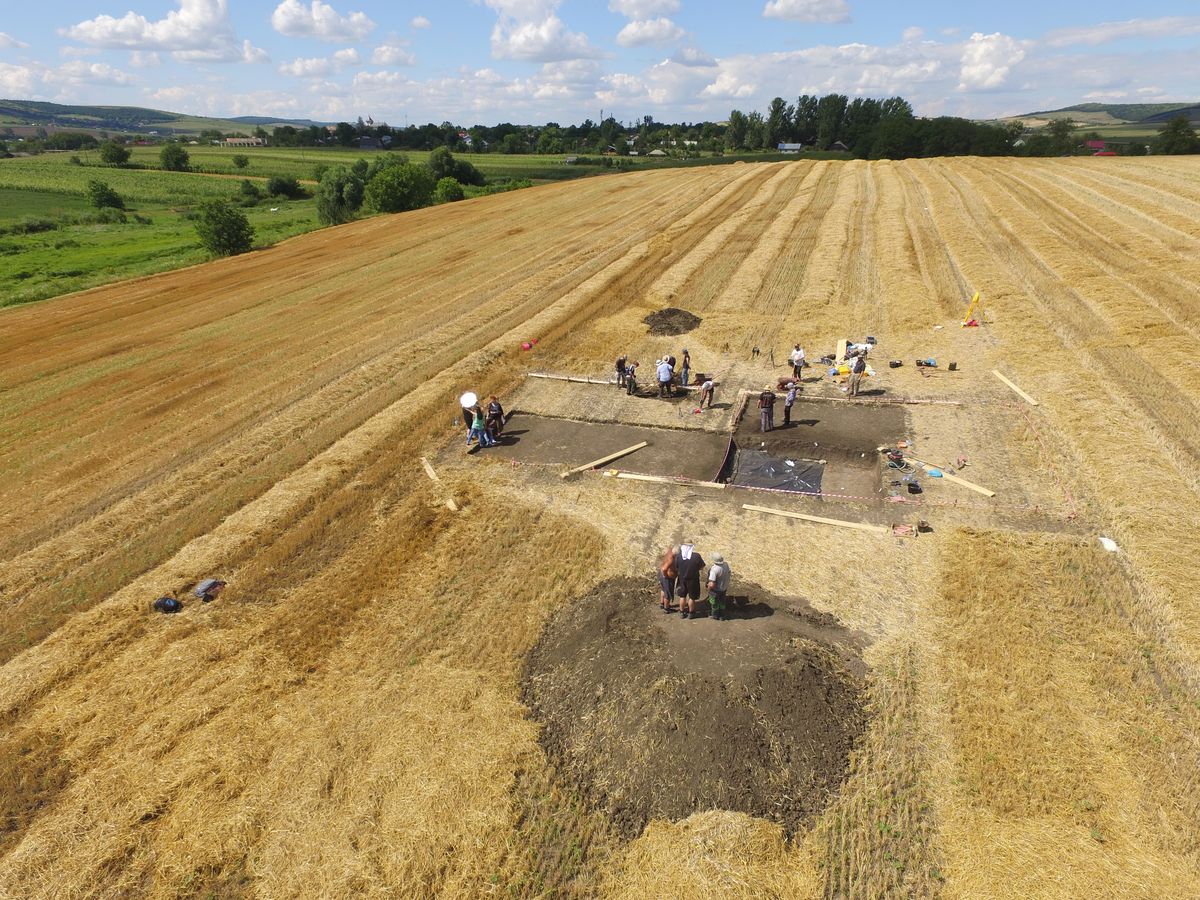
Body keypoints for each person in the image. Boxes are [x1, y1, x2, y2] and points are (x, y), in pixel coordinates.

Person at [674, 541, 707, 619]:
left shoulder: (678, 557)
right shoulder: (696, 556)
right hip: (693, 579)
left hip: (682, 579)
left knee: (682, 596)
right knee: (692, 597)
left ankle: (682, 612)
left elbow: (676, 567)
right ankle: (691, 613)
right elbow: (702, 566)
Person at [707, 554, 731, 620]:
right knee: (722, 602)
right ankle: (722, 615)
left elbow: (711, 584)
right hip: (724, 588)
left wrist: (709, 589)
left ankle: (714, 615)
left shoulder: (714, 569)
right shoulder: (726, 565)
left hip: (716, 590)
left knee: (714, 602)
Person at [658, 545, 677, 612]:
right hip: (667, 577)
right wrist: (666, 575)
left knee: (663, 589)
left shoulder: (669, 551)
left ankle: (662, 603)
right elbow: (664, 569)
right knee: (668, 593)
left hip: (661, 574)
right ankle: (667, 608)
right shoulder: (671, 559)